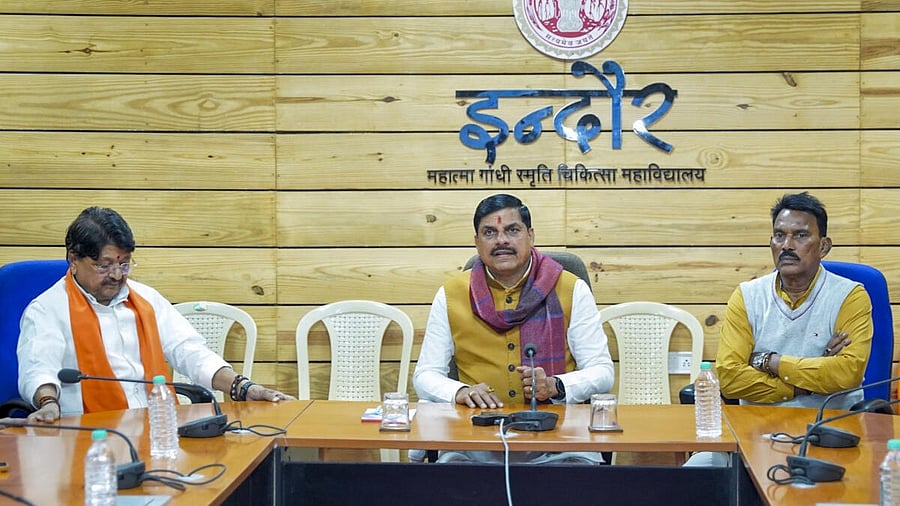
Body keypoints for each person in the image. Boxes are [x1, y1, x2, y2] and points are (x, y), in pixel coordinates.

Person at [15, 206, 294, 424]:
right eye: (104, 265)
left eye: (124, 264)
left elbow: (189, 351)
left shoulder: (146, 299)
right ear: (73, 259)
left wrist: (242, 388)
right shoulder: (47, 310)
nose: (116, 275)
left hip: (159, 429)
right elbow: (38, 368)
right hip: (88, 438)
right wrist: (48, 404)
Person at [413, 193, 615, 463]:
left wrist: (557, 386)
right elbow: (426, 374)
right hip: (474, 440)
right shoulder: (452, 294)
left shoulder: (570, 288)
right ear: (476, 242)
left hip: (559, 439)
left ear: (530, 236)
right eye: (489, 232)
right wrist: (460, 392)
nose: (501, 241)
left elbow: (602, 371)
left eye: (512, 230)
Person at [687, 192, 873, 466]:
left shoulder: (850, 296)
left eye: (800, 236)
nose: (787, 245)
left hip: (829, 436)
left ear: (823, 246)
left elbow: (847, 373)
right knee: (691, 475)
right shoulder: (748, 296)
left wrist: (769, 361)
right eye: (779, 235)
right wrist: (804, 386)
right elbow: (729, 378)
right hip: (756, 434)